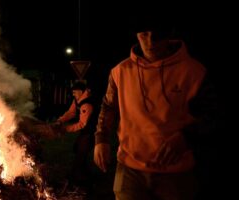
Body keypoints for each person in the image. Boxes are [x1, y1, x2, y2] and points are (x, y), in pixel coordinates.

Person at [93, 23, 217, 200]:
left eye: (157, 35)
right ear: (136, 33)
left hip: (176, 173)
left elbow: (213, 116)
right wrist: (101, 139)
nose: (150, 41)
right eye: (144, 33)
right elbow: (109, 106)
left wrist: (187, 137)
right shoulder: (120, 71)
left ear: (169, 34)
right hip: (130, 170)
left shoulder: (193, 72)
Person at [55, 81, 98, 191]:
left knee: (81, 153)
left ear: (81, 91)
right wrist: (61, 120)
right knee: (77, 149)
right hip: (85, 131)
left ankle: (81, 181)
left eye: (75, 92)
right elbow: (71, 112)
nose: (73, 94)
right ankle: (86, 174)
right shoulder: (77, 100)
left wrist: (65, 129)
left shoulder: (87, 104)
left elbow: (82, 124)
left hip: (91, 131)